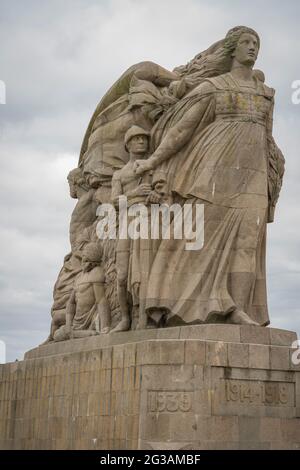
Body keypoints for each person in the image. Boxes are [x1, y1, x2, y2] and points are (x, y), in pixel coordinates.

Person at [134, 26, 285, 327]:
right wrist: (152, 160)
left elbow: (267, 139)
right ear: (232, 49)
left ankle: (237, 309)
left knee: (247, 243)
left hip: (252, 176)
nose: (252, 48)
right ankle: (175, 300)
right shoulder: (213, 87)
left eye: (256, 43)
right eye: (246, 42)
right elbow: (181, 130)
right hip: (212, 169)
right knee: (196, 240)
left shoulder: (266, 95)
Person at [110, 125, 163, 332]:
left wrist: (155, 196)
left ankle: (146, 316)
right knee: (122, 275)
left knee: (146, 271)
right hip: (127, 223)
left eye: (144, 138)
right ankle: (124, 319)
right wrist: (134, 193)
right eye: (137, 139)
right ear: (128, 144)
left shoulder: (153, 167)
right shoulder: (120, 174)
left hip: (149, 221)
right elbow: (113, 202)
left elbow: (162, 191)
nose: (141, 141)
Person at [53, 242, 110, 341]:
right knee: (57, 333)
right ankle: (76, 333)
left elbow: (101, 300)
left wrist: (105, 326)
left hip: (90, 317)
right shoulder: (79, 277)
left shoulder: (96, 272)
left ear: (91, 258)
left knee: (92, 331)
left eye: (85, 256)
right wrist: (68, 324)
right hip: (77, 321)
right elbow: (71, 303)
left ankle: (78, 334)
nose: (83, 259)